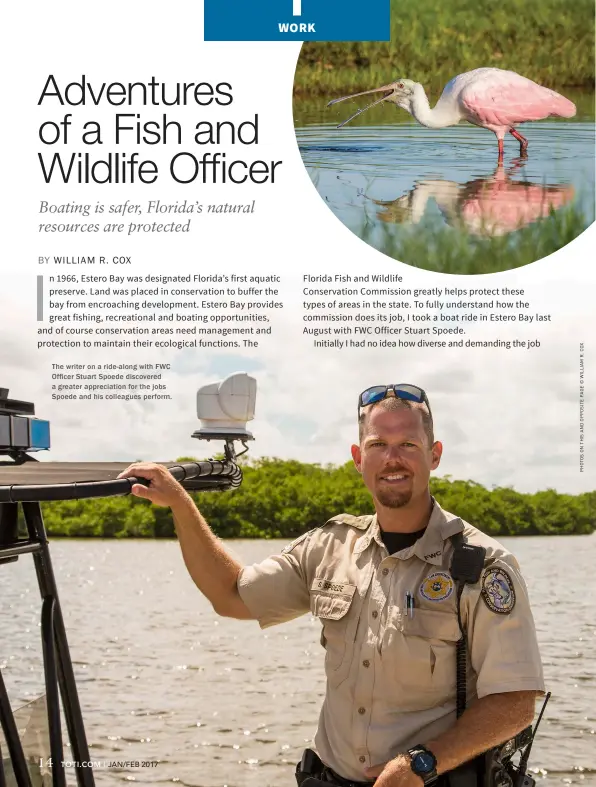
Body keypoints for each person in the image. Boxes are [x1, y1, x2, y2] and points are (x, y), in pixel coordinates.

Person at [118, 384, 545, 787]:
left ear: (434, 455)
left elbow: (516, 702)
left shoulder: (483, 566)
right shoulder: (330, 547)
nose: (392, 458)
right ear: (359, 457)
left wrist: (420, 764)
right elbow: (231, 595)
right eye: (379, 445)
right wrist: (180, 503)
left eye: (408, 445)